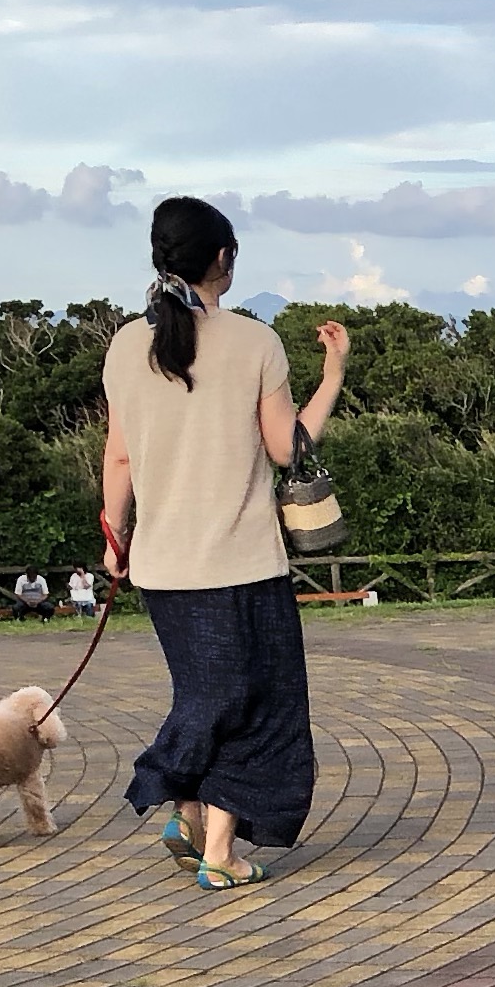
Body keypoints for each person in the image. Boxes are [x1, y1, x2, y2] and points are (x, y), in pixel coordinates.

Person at [101, 195, 348, 888]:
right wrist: (331, 378)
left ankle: (183, 811)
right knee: (255, 705)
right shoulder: (255, 342)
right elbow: (283, 448)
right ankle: (219, 852)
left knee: (205, 695)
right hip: (241, 564)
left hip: (161, 565)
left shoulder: (125, 346)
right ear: (223, 260)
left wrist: (113, 535)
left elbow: (118, 458)